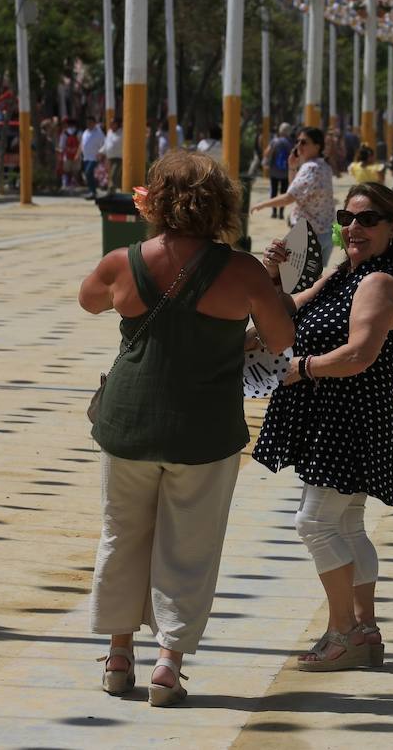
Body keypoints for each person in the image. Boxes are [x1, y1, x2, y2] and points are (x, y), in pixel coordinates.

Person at [82, 150, 293, 706]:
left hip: (127, 423)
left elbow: (90, 302)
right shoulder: (243, 270)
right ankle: (168, 665)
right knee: (189, 544)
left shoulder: (122, 261)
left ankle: (119, 653)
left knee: (122, 534)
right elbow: (278, 338)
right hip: (203, 429)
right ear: (223, 203)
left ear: (155, 199)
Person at [252, 182, 393, 672]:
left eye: (367, 219)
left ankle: (341, 632)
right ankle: (365, 627)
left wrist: (300, 369)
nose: (353, 227)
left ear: (392, 228)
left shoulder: (380, 284)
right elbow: (287, 313)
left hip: (352, 418)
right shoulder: (345, 273)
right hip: (338, 417)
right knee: (345, 523)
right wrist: (273, 276)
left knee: (314, 523)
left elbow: (359, 355)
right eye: (347, 217)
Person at [250, 127, 337, 266]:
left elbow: (288, 198)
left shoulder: (311, 167)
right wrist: (292, 167)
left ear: (317, 146)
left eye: (304, 142)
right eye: (297, 141)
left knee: (292, 279)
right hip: (325, 233)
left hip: (309, 235)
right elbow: (295, 190)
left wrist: (261, 205)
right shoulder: (324, 165)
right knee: (314, 280)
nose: (298, 146)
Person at [265, 123, 294, 219]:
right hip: (285, 172)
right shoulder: (290, 143)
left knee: (273, 191)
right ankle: (281, 213)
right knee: (283, 192)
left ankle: (274, 212)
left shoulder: (274, 141)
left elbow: (267, 153)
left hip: (274, 170)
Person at [80, 116, 105, 199]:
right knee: (88, 175)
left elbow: (104, 144)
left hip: (94, 157)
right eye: (87, 123)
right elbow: (82, 144)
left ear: (94, 123)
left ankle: (93, 191)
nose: (89, 124)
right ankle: (92, 191)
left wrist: (101, 154)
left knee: (88, 173)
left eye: (90, 122)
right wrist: (78, 154)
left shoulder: (99, 133)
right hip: (86, 157)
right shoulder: (85, 132)